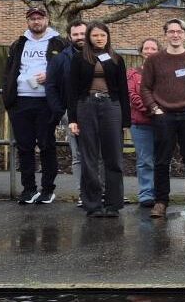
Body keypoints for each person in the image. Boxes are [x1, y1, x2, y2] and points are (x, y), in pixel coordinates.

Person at [139, 18, 185, 219]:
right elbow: (145, 88)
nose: (175, 35)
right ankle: (161, 202)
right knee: (161, 161)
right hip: (163, 116)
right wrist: (154, 108)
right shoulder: (154, 60)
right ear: (166, 35)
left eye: (179, 31)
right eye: (171, 31)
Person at [65, 22, 130, 218]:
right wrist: (73, 118)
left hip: (112, 106)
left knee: (114, 157)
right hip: (86, 106)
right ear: (88, 38)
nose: (99, 38)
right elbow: (72, 91)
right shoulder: (79, 59)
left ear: (107, 37)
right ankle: (93, 205)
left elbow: (124, 91)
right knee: (89, 157)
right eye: (95, 36)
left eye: (103, 35)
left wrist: (125, 121)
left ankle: (113, 204)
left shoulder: (116, 59)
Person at [2, 5, 62, 204]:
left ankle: (48, 189)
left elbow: (67, 71)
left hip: (46, 101)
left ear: (47, 20)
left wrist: (51, 76)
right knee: (24, 147)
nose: (36, 21)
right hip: (20, 101)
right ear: (28, 21)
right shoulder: (19, 44)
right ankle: (28, 189)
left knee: (46, 145)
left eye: (40, 18)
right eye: (32, 18)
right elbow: (9, 71)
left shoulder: (59, 43)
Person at [46, 21, 88, 204]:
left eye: (83, 33)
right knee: (78, 154)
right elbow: (51, 86)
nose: (80, 37)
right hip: (70, 113)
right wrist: (60, 111)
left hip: (97, 111)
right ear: (70, 37)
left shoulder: (101, 55)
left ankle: (102, 191)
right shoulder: (60, 59)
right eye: (76, 34)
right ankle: (83, 193)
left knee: (101, 154)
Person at [128, 38, 160, 208]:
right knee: (145, 160)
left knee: (161, 159)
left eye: (153, 48)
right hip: (141, 123)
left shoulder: (164, 73)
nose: (149, 51)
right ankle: (146, 194)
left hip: (163, 123)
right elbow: (132, 96)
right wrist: (152, 109)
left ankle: (161, 193)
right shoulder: (133, 74)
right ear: (141, 51)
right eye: (146, 48)